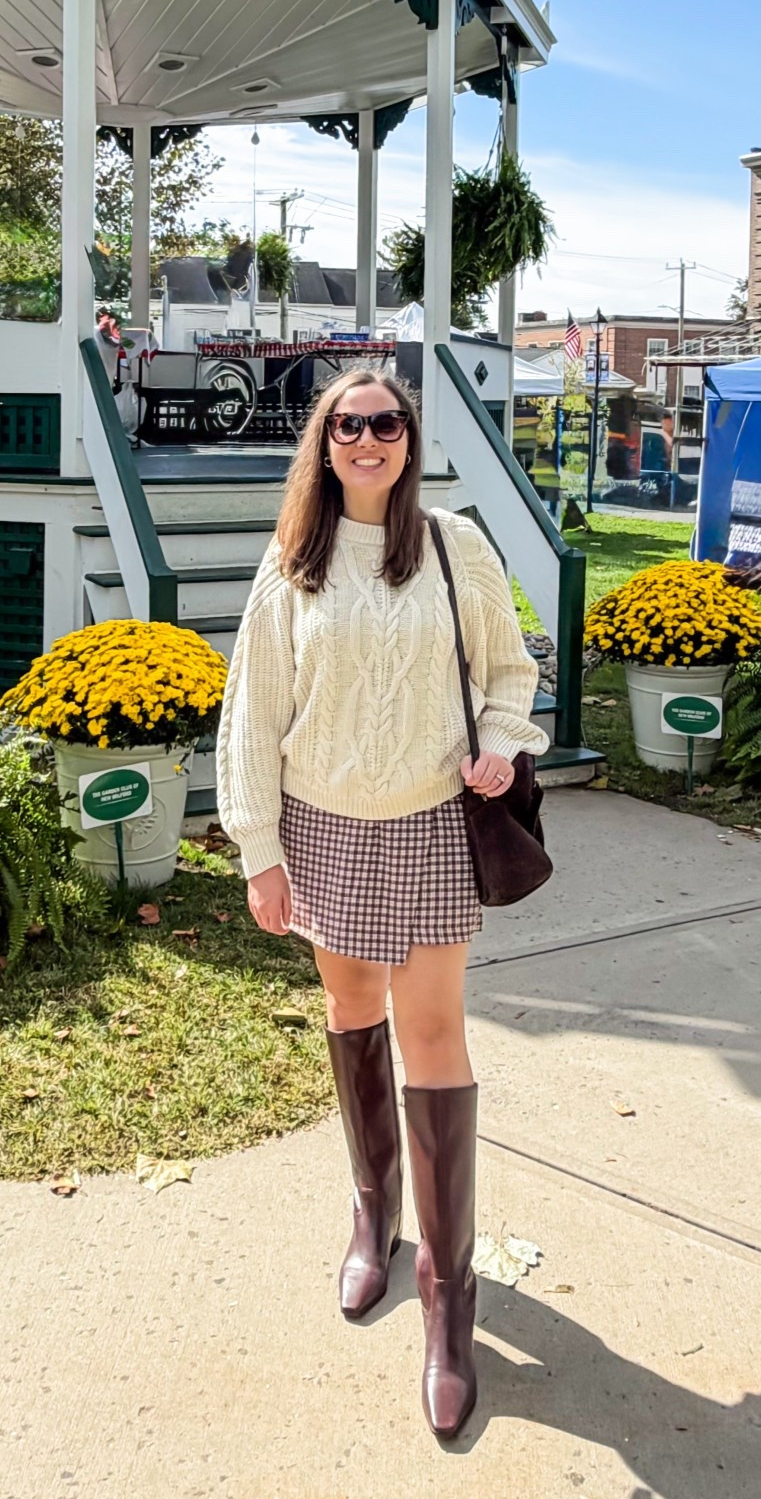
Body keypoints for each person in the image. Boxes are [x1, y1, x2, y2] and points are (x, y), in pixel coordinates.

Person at [217, 368, 548, 1439]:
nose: (367, 437)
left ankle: (449, 1301)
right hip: (320, 821)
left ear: (408, 438)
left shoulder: (456, 544)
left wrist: (498, 745)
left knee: (433, 1031)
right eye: (346, 423)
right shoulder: (290, 564)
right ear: (322, 443)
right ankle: (375, 1213)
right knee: (349, 1004)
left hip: (426, 822)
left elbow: (508, 671)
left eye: (385, 422)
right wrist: (258, 848)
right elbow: (252, 714)